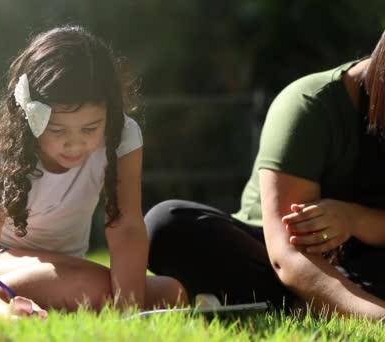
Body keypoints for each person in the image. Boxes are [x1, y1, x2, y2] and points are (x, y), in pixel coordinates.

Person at [0, 25, 186, 319]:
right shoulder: (5, 162)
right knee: (83, 285)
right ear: (30, 116)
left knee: (172, 293)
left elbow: (126, 227)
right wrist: (1, 314)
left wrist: (127, 312)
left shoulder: (121, 137)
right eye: (57, 129)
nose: (75, 142)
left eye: (90, 128)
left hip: (65, 266)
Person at [145, 32, 385, 320]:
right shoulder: (310, 104)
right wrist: (376, 317)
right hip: (271, 253)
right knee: (167, 224)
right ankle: (323, 302)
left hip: (364, 258)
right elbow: (286, 255)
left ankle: (292, 304)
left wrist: (353, 219)